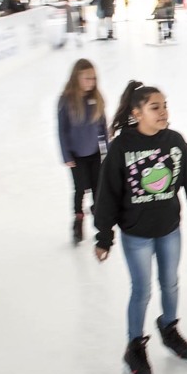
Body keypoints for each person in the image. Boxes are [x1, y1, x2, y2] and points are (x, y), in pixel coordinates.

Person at [94, 80, 187, 374]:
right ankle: (134, 346)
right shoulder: (122, 147)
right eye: (155, 107)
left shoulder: (174, 141)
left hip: (168, 230)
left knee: (170, 283)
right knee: (142, 290)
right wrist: (103, 235)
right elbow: (107, 193)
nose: (163, 112)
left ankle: (169, 328)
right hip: (136, 234)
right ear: (137, 113)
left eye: (165, 106)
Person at [58, 59, 109, 244]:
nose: (91, 82)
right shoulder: (67, 101)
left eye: (93, 78)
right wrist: (66, 154)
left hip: (94, 154)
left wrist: (108, 149)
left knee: (98, 188)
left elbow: (103, 126)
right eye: (87, 78)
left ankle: (100, 220)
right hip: (76, 156)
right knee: (80, 189)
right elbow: (62, 130)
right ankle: (78, 220)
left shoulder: (96, 98)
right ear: (76, 77)